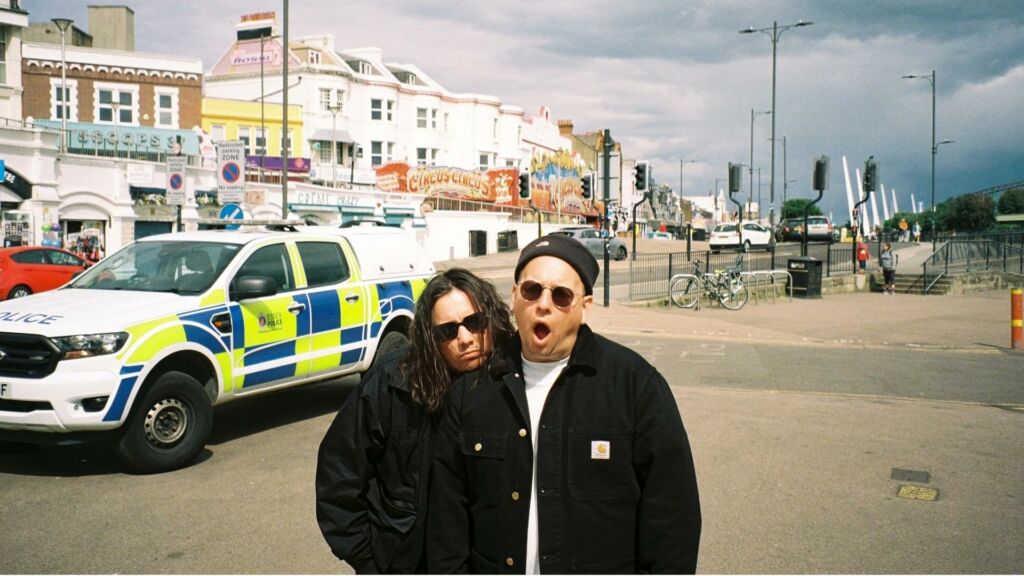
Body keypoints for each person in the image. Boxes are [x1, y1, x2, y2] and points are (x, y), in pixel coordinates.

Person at [428, 234, 702, 574]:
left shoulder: (635, 386)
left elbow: (673, 520)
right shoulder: (473, 392)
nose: (543, 304)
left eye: (561, 296)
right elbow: (446, 521)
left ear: (585, 307)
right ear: (514, 297)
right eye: (531, 290)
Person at [316, 268, 514, 574]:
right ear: (429, 337)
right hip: (406, 561)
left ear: (491, 318)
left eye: (474, 323)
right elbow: (339, 472)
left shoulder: (515, 384)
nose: (465, 339)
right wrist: (369, 561)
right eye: (447, 331)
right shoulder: (394, 382)